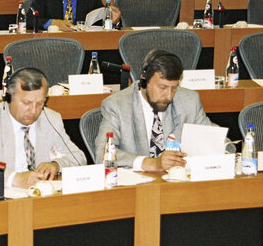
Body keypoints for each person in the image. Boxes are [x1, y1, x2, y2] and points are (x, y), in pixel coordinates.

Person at [95, 50, 235, 171]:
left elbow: (218, 140)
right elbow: (102, 154)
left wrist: (224, 152)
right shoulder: (117, 105)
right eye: (162, 88)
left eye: (174, 88)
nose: (168, 96)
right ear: (143, 79)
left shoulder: (189, 101)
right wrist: (151, 163)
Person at [0, 68, 86, 188]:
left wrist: (56, 165)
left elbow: (78, 157)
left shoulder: (51, 119)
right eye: (26, 103)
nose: (34, 110)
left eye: (40, 103)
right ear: (8, 97)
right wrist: (15, 179)